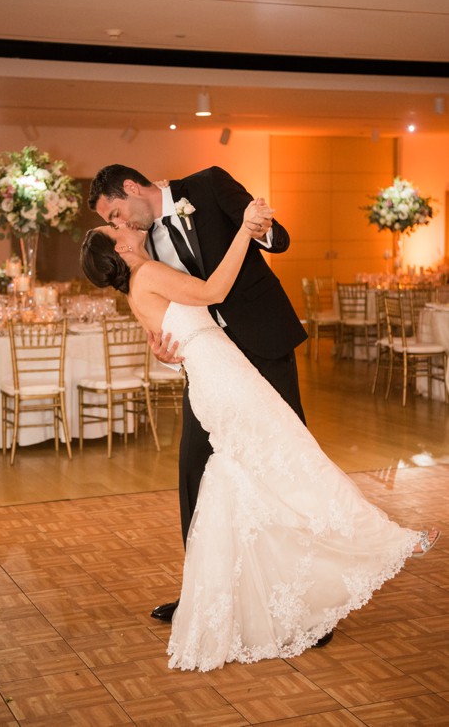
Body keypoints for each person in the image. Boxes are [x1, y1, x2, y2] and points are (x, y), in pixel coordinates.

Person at [79, 203, 440, 672]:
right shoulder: (147, 274)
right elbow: (213, 290)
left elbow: (171, 342)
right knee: (296, 459)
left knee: (258, 483)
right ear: (120, 247)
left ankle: (265, 598)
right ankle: (387, 541)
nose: (123, 225)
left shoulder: (142, 283)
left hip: (221, 379)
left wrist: (168, 354)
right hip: (226, 384)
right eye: (114, 226)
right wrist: (245, 232)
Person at [87, 165, 308, 629]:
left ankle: (301, 599)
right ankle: (202, 597)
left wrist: (257, 227)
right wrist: (168, 352)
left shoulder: (207, 185)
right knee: (194, 471)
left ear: (131, 188)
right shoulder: (142, 259)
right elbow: (170, 316)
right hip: (208, 369)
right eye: (113, 223)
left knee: (287, 465)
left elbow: (279, 239)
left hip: (263, 345)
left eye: (117, 213)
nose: (121, 225)